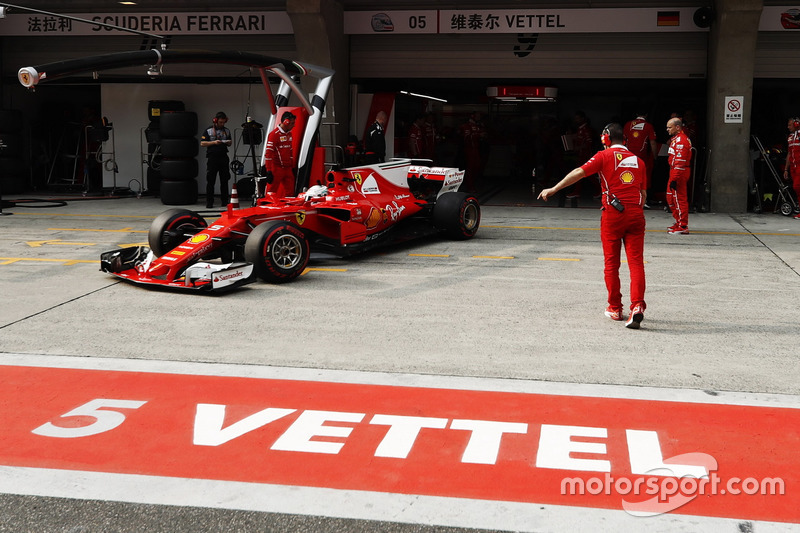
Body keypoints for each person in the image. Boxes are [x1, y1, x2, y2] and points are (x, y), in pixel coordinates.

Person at [538, 123, 647, 329]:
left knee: (611, 264)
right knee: (636, 264)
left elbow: (579, 172)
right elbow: (643, 194)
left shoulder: (603, 156)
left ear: (606, 138)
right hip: (636, 214)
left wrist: (553, 188)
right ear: (623, 140)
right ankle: (638, 306)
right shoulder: (639, 161)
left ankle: (615, 308)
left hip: (614, 215)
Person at [666, 117, 693, 234]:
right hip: (675, 171)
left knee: (679, 199)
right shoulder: (676, 139)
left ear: (677, 127)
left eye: (669, 127)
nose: (667, 129)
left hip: (679, 172)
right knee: (670, 197)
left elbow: (680, 162)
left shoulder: (681, 140)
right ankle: (678, 221)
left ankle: (683, 226)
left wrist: (675, 178)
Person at [200, 111, 232, 208]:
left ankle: (224, 201)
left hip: (223, 157)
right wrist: (214, 143)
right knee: (211, 181)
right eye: (220, 122)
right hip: (212, 157)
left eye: (223, 122)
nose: (222, 124)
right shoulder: (209, 130)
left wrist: (227, 142)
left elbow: (230, 143)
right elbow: (202, 143)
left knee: (224, 180)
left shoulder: (227, 130)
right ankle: (209, 202)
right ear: (215, 121)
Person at [624, 111, 658, 200]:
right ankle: (642, 199)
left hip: (628, 155)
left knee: (628, 174)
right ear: (646, 115)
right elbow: (653, 143)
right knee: (643, 176)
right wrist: (655, 156)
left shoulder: (628, 124)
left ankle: (628, 196)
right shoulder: (648, 126)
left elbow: (623, 140)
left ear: (636, 114)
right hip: (642, 156)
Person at [566, 111, 598, 201]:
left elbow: (589, 143)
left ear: (582, 119)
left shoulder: (586, 129)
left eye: (577, 118)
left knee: (581, 174)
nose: (576, 120)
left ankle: (577, 192)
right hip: (581, 154)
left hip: (585, 155)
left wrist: (578, 147)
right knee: (585, 174)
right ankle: (578, 191)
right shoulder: (580, 129)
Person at [264, 111, 297, 198]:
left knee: (290, 193)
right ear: (286, 122)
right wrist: (269, 171)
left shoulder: (289, 134)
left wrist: (292, 166)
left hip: (288, 169)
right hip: (276, 168)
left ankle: (288, 210)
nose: (294, 125)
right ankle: (267, 209)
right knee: (271, 193)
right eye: (292, 123)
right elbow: (268, 153)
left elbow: (290, 151)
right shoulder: (274, 135)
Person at [459, 111, 487, 192]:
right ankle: (470, 186)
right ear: (473, 116)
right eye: (477, 115)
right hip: (469, 149)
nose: (479, 117)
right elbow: (466, 138)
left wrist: (483, 135)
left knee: (477, 167)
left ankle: (472, 184)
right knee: (470, 168)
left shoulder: (478, 125)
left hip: (476, 149)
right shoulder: (466, 126)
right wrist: (478, 135)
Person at [783, 117, 800, 219]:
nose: (788, 127)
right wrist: (786, 169)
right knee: (797, 188)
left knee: (797, 186)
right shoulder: (789, 137)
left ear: (796, 124)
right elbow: (789, 153)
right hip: (793, 167)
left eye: (790, 125)